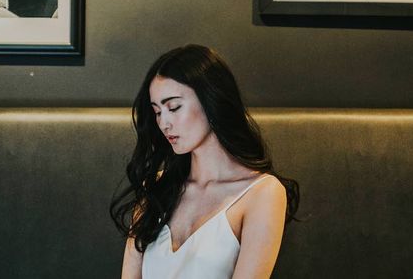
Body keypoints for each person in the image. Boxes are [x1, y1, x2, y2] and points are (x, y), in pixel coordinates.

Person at [111, 44, 299, 278]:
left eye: (174, 107)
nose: (164, 123)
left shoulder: (262, 193)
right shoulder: (157, 188)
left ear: (211, 100)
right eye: (157, 112)